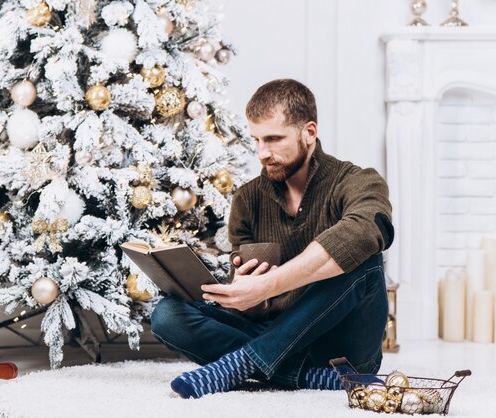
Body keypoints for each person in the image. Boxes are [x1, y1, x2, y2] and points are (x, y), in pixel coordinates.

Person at [150, 79, 394, 399]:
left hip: (344, 345)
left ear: (309, 132)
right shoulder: (248, 198)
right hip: (277, 336)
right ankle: (306, 376)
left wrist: (271, 283)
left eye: (274, 139)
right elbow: (254, 309)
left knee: (363, 255)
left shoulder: (359, 181)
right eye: (257, 140)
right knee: (167, 315)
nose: (263, 152)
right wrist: (246, 297)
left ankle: (241, 364)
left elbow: (368, 228)